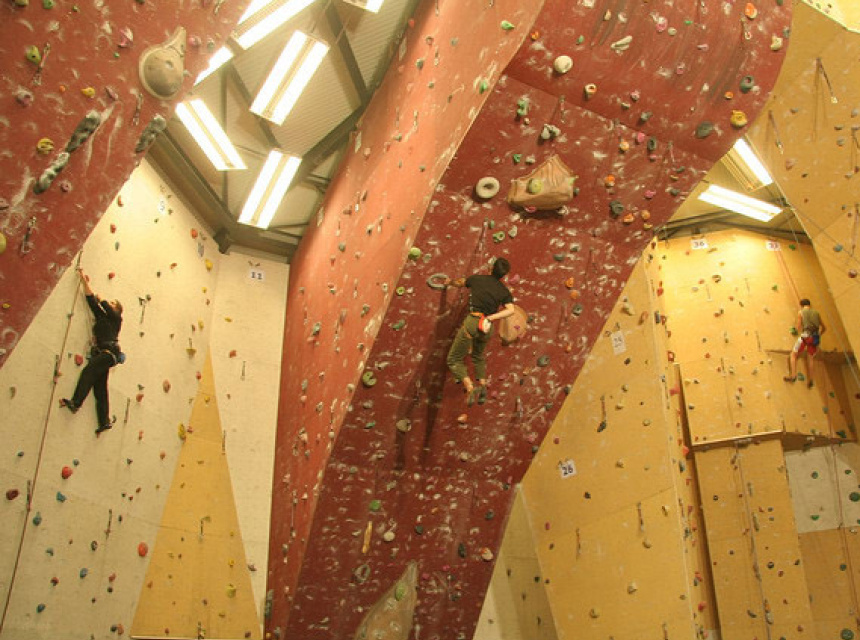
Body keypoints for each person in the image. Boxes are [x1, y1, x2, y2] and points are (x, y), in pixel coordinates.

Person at [60, 267, 124, 434]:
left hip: (109, 353)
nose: (109, 305)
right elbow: (90, 300)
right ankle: (104, 421)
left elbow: (108, 309)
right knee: (100, 389)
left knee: (88, 371)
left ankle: (76, 402)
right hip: (105, 354)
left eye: (112, 304)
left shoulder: (117, 319)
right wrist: (83, 279)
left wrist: (103, 299)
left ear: (116, 309)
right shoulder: (102, 318)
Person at [445, 258, 515, 405]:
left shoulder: (477, 279)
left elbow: (459, 283)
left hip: (473, 322)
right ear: (503, 275)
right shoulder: (503, 291)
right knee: (478, 356)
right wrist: (490, 318)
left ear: (491, 268)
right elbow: (511, 310)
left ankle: (470, 387)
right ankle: (482, 385)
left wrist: (448, 282)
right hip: (487, 327)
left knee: (454, 359)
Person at [784, 298, 825, 388]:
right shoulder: (817, 313)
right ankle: (811, 380)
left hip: (806, 336)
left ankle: (793, 376)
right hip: (815, 338)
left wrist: (794, 330)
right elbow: (824, 328)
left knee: (793, 355)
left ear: (802, 305)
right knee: (810, 358)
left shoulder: (801, 312)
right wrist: (818, 335)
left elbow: (798, 327)